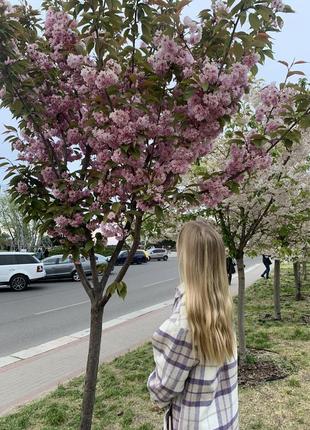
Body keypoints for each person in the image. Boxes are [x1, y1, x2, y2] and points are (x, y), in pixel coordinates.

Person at [147, 221, 238, 430]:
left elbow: (163, 388)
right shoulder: (221, 305)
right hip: (225, 418)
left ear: (186, 259)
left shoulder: (186, 321)